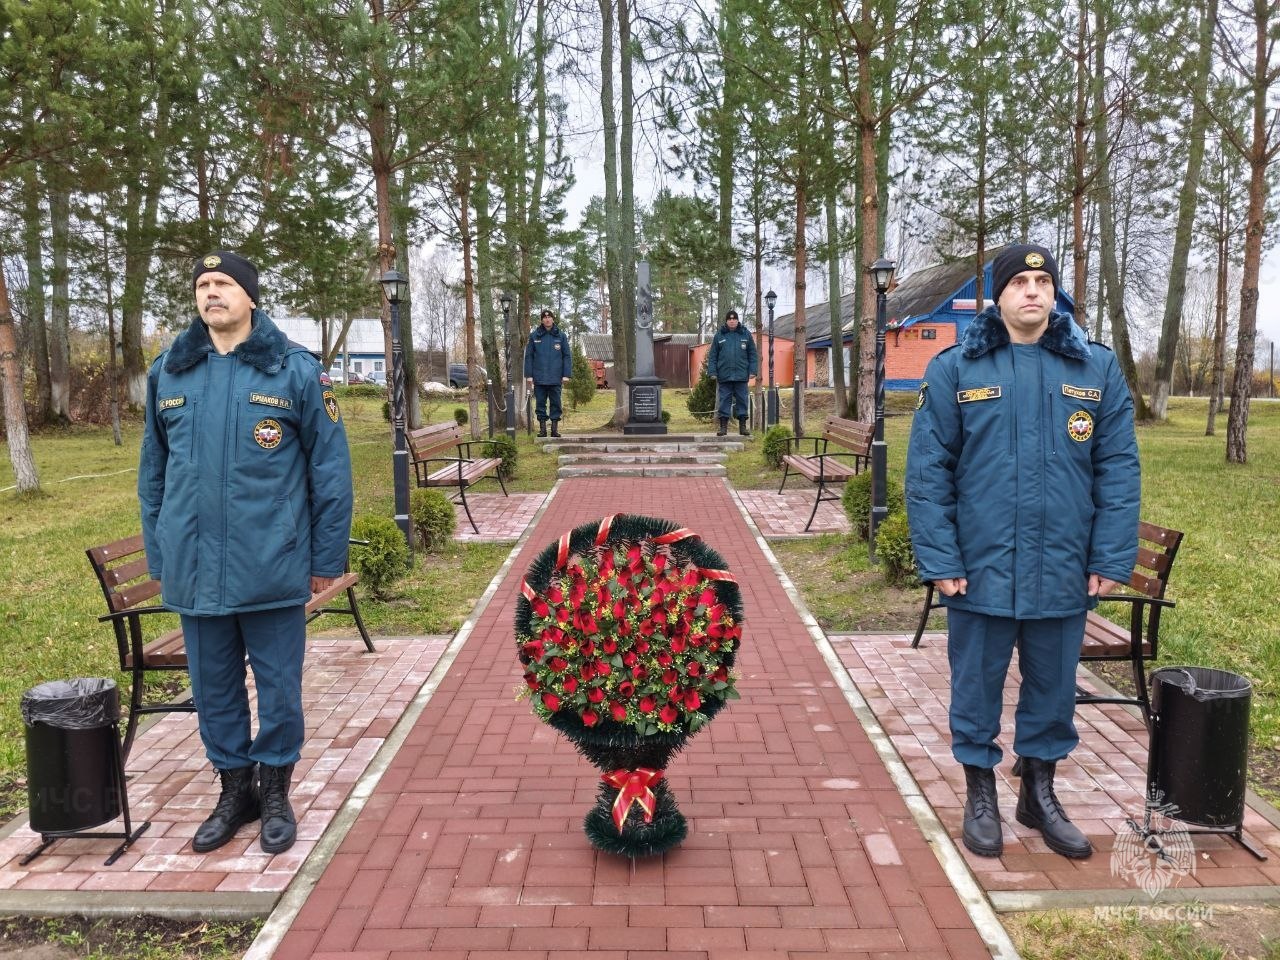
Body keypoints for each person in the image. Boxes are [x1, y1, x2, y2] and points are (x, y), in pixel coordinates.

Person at [905, 244, 1139, 861]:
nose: (1032, 291)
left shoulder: (1094, 369)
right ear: (999, 296)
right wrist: (942, 559)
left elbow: (1117, 468)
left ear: (1053, 293)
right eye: (1020, 282)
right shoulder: (958, 367)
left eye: (1042, 281)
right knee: (977, 685)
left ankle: (1038, 794)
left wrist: (1109, 557)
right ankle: (980, 792)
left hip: (1063, 564)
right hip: (980, 567)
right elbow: (929, 473)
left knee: (1054, 689)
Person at [137, 250, 353, 855]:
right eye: (203, 285)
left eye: (224, 283)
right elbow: (153, 475)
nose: (211, 293)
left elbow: (330, 474)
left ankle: (276, 789)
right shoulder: (170, 374)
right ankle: (236, 791)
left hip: (273, 564)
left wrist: (324, 561)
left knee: (279, 688)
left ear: (250, 297)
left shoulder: (295, 371)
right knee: (214, 689)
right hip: (197, 569)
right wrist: (163, 560)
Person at [707, 308, 758, 436]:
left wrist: (753, 370)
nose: (732, 321)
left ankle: (742, 427)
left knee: (742, 400)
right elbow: (713, 355)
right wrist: (712, 372)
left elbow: (752, 354)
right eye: (729, 319)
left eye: (734, 319)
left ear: (737, 320)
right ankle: (723, 427)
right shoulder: (719, 335)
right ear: (726, 321)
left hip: (741, 375)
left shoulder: (745, 334)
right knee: (724, 400)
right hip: (724, 375)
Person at [524, 308, 572, 437]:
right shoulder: (534, 336)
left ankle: (554, 430)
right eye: (544, 318)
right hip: (539, 377)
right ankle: (543, 430)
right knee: (540, 403)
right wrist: (529, 375)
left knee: (556, 403)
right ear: (541, 320)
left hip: (556, 377)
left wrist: (566, 374)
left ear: (553, 319)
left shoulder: (561, 336)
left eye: (549, 317)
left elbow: (567, 356)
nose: (547, 319)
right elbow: (529, 356)